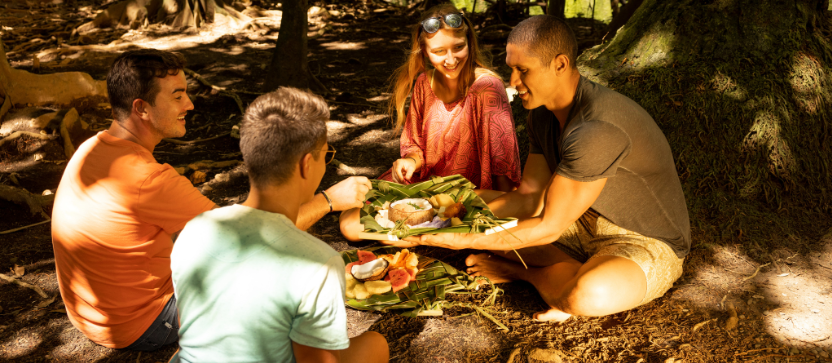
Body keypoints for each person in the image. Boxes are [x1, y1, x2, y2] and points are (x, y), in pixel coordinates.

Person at [50, 50, 371, 350]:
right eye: (177, 96)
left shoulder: (93, 148)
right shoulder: (146, 178)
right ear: (141, 108)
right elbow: (246, 242)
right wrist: (327, 200)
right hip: (141, 322)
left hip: (91, 315)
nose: (189, 105)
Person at [385, 15, 691, 323]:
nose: (513, 82)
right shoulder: (542, 116)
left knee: (586, 294)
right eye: (511, 68)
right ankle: (560, 270)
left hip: (642, 240)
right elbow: (529, 198)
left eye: (523, 70)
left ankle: (524, 273)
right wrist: (443, 208)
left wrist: (456, 238)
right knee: (481, 220)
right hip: (578, 222)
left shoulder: (597, 128)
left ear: (560, 64)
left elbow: (549, 226)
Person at [170, 87, 389, 363]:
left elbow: (189, 336)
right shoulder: (318, 263)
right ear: (307, 165)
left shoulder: (193, 231)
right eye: (326, 154)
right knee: (376, 345)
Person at [339, 3, 522, 241]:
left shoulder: (487, 88)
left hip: (469, 197)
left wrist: (501, 214)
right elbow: (415, 145)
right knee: (350, 222)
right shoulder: (424, 83)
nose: (450, 60)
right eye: (439, 52)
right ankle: (424, 236)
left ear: (470, 43)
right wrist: (410, 161)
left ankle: (415, 236)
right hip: (425, 189)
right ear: (424, 52)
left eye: (458, 47)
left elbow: (502, 167)